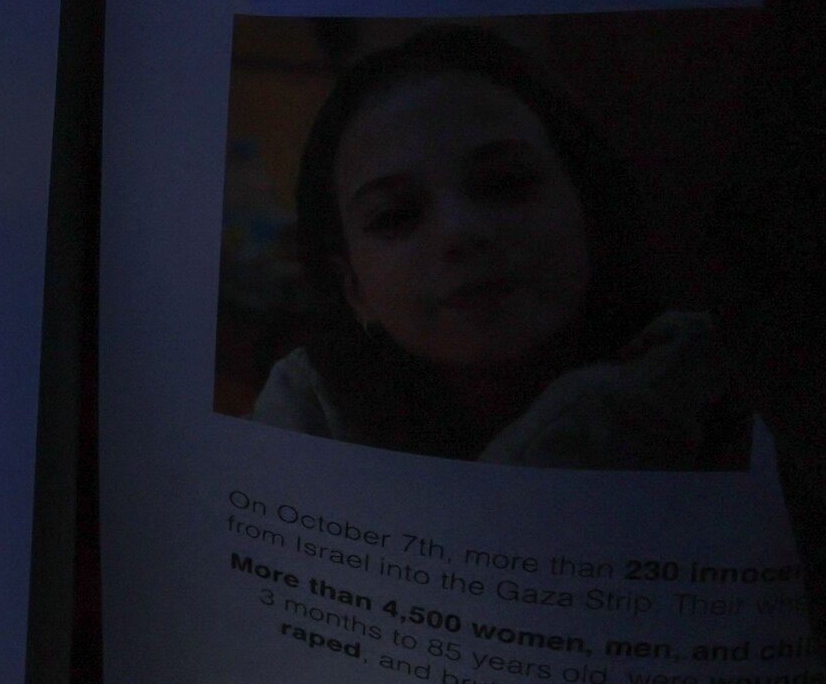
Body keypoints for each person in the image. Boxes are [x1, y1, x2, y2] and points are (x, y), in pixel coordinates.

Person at [248, 28, 750, 469]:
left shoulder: (716, 381)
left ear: (587, 207)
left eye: (505, 184)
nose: (460, 233)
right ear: (354, 287)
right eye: (396, 216)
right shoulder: (310, 406)